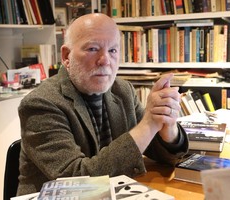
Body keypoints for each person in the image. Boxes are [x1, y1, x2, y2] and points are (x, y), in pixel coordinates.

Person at [17, 13, 189, 196]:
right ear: (66, 56)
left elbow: (159, 152)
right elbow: (77, 181)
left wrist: (166, 125)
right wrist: (149, 124)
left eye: (113, 50)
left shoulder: (123, 91)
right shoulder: (40, 103)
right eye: (92, 49)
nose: (105, 60)